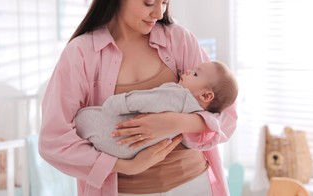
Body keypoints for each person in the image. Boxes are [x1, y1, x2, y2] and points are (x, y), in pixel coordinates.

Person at [38, 0, 237, 196]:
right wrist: (126, 166)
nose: (158, 12)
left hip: (194, 183)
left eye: (165, 2)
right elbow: (53, 140)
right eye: (149, 2)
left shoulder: (179, 40)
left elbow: (228, 114)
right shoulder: (82, 53)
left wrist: (175, 122)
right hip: (125, 190)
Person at [75, 61, 238, 159]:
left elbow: (146, 99)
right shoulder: (196, 114)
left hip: (116, 134)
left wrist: (116, 103)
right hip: (131, 151)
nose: (188, 70)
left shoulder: (179, 95)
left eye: (195, 74)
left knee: (83, 117)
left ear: (206, 95)